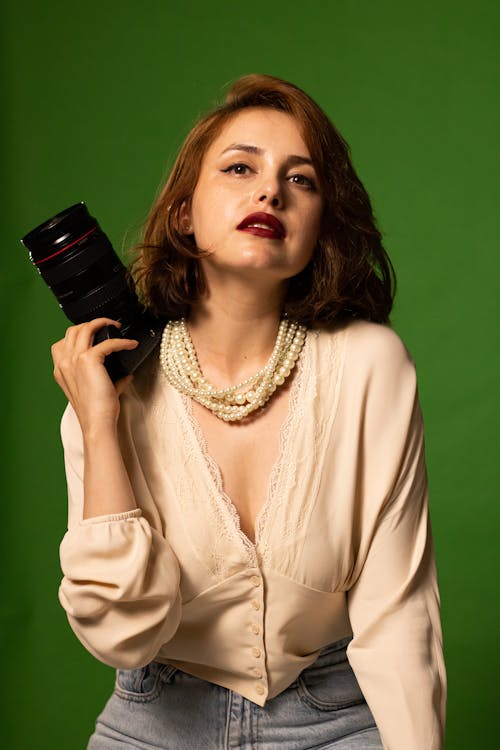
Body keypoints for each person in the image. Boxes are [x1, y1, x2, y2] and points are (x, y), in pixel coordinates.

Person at [52, 74, 446, 749]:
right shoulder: (109, 397)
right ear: (184, 213)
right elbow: (124, 634)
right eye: (240, 168)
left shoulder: (369, 366)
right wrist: (98, 423)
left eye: (302, 181)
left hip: (336, 721)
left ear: (318, 224)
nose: (270, 192)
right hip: (153, 723)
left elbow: (397, 611)